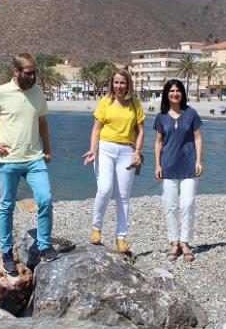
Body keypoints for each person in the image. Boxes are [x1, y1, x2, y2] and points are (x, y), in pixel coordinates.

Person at [0, 54, 58, 276]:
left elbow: (42, 121)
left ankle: (44, 245)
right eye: (28, 72)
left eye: (34, 71)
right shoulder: (1, 92)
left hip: (35, 158)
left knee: (45, 199)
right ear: (16, 71)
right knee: (7, 206)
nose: (33, 76)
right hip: (9, 161)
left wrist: (47, 149)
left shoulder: (37, 92)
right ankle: (7, 252)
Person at [83, 68, 145, 253]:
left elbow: (141, 131)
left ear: (128, 84)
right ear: (112, 84)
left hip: (127, 151)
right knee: (104, 189)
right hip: (105, 150)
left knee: (123, 197)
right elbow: (96, 129)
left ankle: (121, 238)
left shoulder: (135, 104)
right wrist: (93, 150)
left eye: (122, 82)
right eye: (116, 82)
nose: (119, 86)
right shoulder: (105, 102)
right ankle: (96, 229)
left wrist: (138, 152)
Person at [153, 79, 203, 262]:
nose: (175, 93)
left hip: (189, 165)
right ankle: (174, 242)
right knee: (170, 206)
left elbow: (197, 138)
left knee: (188, 204)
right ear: (167, 94)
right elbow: (158, 142)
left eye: (178, 90)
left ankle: (186, 242)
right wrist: (157, 165)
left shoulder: (191, 114)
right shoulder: (161, 117)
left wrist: (199, 160)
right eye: (172, 90)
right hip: (168, 166)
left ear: (183, 93)